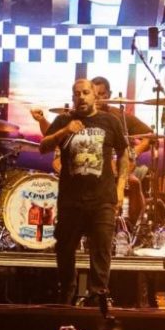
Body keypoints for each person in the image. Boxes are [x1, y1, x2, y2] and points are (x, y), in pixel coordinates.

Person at [40, 78, 129, 305]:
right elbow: (43, 147)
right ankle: (66, 294)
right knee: (65, 248)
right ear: (73, 97)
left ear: (95, 96)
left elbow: (123, 153)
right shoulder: (63, 120)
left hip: (102, 198)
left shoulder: (110, 121)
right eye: (77, 93)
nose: (81, 97)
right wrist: (64, 132)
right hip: (71, 199)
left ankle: (98, 297)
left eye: (86, 92)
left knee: (101, 248)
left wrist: (120, 187)